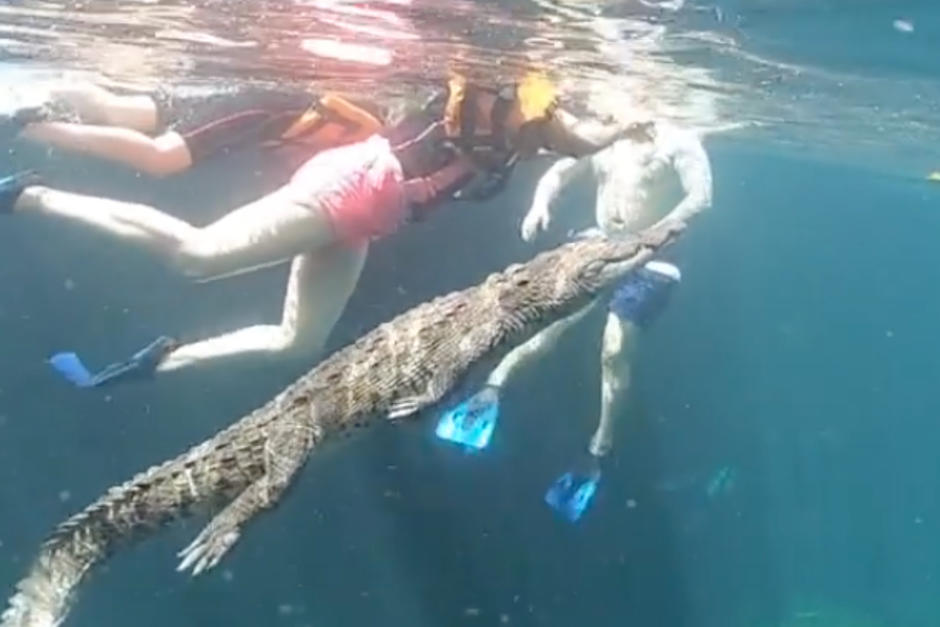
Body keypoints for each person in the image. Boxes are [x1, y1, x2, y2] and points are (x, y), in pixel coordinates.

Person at [0, 73, 627, 389]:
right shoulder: (502, 93)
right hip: (353, 185)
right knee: (196, 255)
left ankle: (159, 361)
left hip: (368, 220)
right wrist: (627, 122)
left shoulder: (527, 130)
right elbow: (572, 133)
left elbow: (571, 138)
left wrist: (621, 123)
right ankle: (32, 196)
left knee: (297, 343)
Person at [434, 119, 714, 522]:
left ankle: (599, 447)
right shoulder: (606, 135)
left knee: (614, 350)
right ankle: (491, 390)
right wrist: (540, 205)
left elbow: (701, 198)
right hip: (601, 242)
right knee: (551, 320)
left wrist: (656, 235)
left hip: (656, 256)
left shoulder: (680, 142)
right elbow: (560, 171)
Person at [1, 81, 387, 177]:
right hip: (250, 110)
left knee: (119, 111)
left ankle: (35, 90)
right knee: (161, 159)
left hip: (245, 105)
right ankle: (33, 127)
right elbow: (334, 101)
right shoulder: (370, 130)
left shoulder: (357, 136)